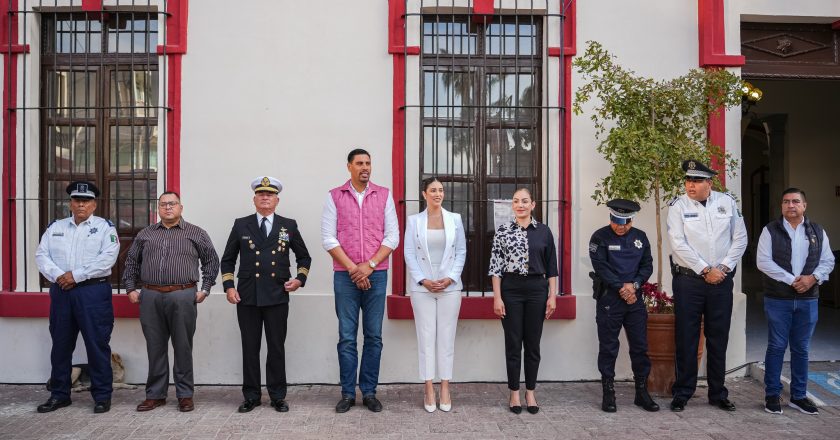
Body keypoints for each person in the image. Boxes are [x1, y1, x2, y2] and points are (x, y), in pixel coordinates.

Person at [221, 176, 312, 413]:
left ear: (277, 200)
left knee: (276, 347)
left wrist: (299, 280)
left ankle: (277, 396)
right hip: (248, 296)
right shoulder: (241, 224)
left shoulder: (288, 225)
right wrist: (229, 286)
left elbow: (304, 257)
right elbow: (228, 259)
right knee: (250, 348)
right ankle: (251, 396)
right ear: (254, 199)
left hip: (277, 295)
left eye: (269, 194)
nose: (265, 197)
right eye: (261, 194)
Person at [124, 191, 219, 413]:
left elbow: (211, 262)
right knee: (155, 347)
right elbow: (131, 263)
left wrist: (205, 289)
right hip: (150, 296)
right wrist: (130, 288)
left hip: (183, 295)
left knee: (183, 347)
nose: (168, 208)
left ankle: (185, 394)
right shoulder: (146, 234)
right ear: (158, 208)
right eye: (163, 204)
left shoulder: (196, 233)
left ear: (181, 207)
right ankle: (155, 395)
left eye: (172, 204)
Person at [321, 148, 399, 413]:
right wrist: (355, 269)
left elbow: (392, 237)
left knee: (374, 336)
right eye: (359, 163)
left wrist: (370, 266)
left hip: (377, 275)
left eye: (368, 163)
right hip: (345, 276)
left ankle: (369, 392)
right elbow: (328, 238)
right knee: (346, 337)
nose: (365, 167)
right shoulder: (335, 196)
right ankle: (346, 393)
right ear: (349, 167)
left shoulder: (384, 195)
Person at [666, 159, 747, 412]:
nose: (690, 185)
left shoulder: (727, 203)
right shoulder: (678, 206)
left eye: (697, 181)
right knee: (686, 338)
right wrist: (704, 269)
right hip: (689, 281)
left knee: (718, 337)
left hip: (720, 281)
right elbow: (678, 243)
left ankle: (717, 393)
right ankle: (683, 392)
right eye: (688, 180)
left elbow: (740, 238)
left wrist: (721, 268)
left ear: (709, 183)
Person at [35, 181, 120, 414]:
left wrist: (77, 276)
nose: (81, 204)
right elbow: (42, 255)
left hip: (93, 292)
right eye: (76, 200)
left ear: (94, 204)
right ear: (70, 203)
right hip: (62, 291)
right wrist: (59, 275)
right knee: (60, 345)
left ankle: (102, 396)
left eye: (86, 201)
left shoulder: (105, 228)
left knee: (96, 344)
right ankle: (60, 394)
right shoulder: (56, 227)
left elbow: (107, 258)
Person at [756, 188, 834, 415]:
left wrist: (813, 278)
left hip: (808, 299)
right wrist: (792, 280)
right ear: (781, 206)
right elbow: (763, 261)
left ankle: (799, 396)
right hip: (778, 299)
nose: (790, 205)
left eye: (795, 201)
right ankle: (772, 394)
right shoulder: (770, 230)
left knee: (801, 349)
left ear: (804, 205)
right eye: (786, 202)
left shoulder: (817, 231)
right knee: (777, 346)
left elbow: (828, 260)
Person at [489, 187, 558, 415]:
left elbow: (552, 268)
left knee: (533, 344)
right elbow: (495, 268)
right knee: (513, 343)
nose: (520, 205)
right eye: (516, 201)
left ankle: (530, 391)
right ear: (512, 205)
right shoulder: (503, 231)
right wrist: (497, 297)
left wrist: (552, 296)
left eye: (525, 201)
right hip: (511, 289)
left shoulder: (544, 232)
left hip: (537, 290)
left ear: (533, 205)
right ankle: (514, 393)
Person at [588, 199, 659, 413]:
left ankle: (641, 392)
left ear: (631, 220)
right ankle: (608, 393)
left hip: (634, 300)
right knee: (609, 348)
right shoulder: (599, 237)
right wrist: (622, 287)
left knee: (640, 347)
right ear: (610, 217)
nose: (620, 226)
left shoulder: (640, 237)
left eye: (625, 222)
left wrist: (634, 285)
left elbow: (647, 265)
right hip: (610, 299)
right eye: (616, 221)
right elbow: (600, 266)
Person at [404, 177, 467, 413]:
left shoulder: (455, 219)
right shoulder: (414, 221)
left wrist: (451, 277)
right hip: (423, 288)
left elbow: (461, 250)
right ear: (424, 194)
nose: (437, 194)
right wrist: (424, 280)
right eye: (433, 190)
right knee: (426, 337)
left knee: (446, 338)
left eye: (441, 190)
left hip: (450, 288)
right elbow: (409, 253)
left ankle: (446, 387)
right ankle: (429, 387)